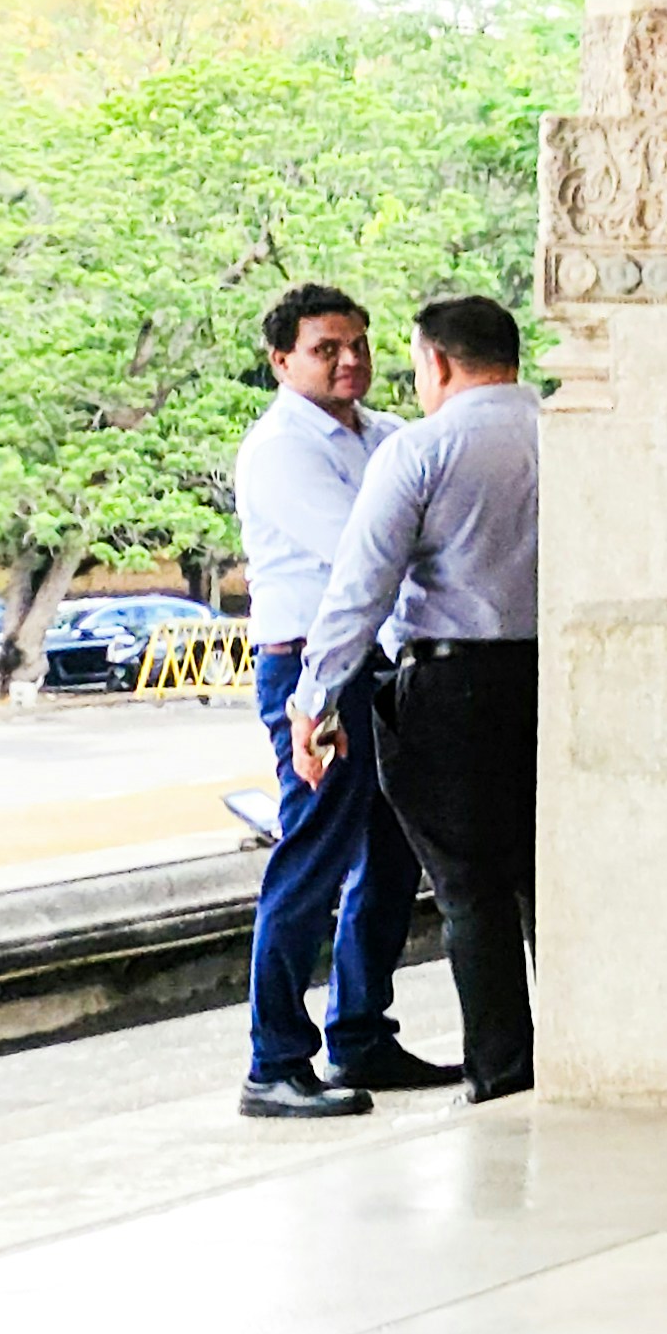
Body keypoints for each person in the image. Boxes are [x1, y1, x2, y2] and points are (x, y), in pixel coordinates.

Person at [290, 289, 543, 1109]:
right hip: (563, 677)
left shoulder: (421, 450)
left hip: (451, 684)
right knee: (556, 879)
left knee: (471, 888)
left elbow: (362, 589)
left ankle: (504, 1069)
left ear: (435, 360)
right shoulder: (578, 434)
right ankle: (588, 1049)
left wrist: (314, 697)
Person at [224, 282, 431, 1123]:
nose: (349, 362)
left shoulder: (387, 434)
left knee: (393, 856)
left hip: (382, 663)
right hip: (311, 669)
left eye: (358, 346)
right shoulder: (279, 448)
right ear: (281, 361)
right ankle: (274, 1060)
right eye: (325, 349)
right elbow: (368, 551)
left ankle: (361, 1034)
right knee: (311, 859)